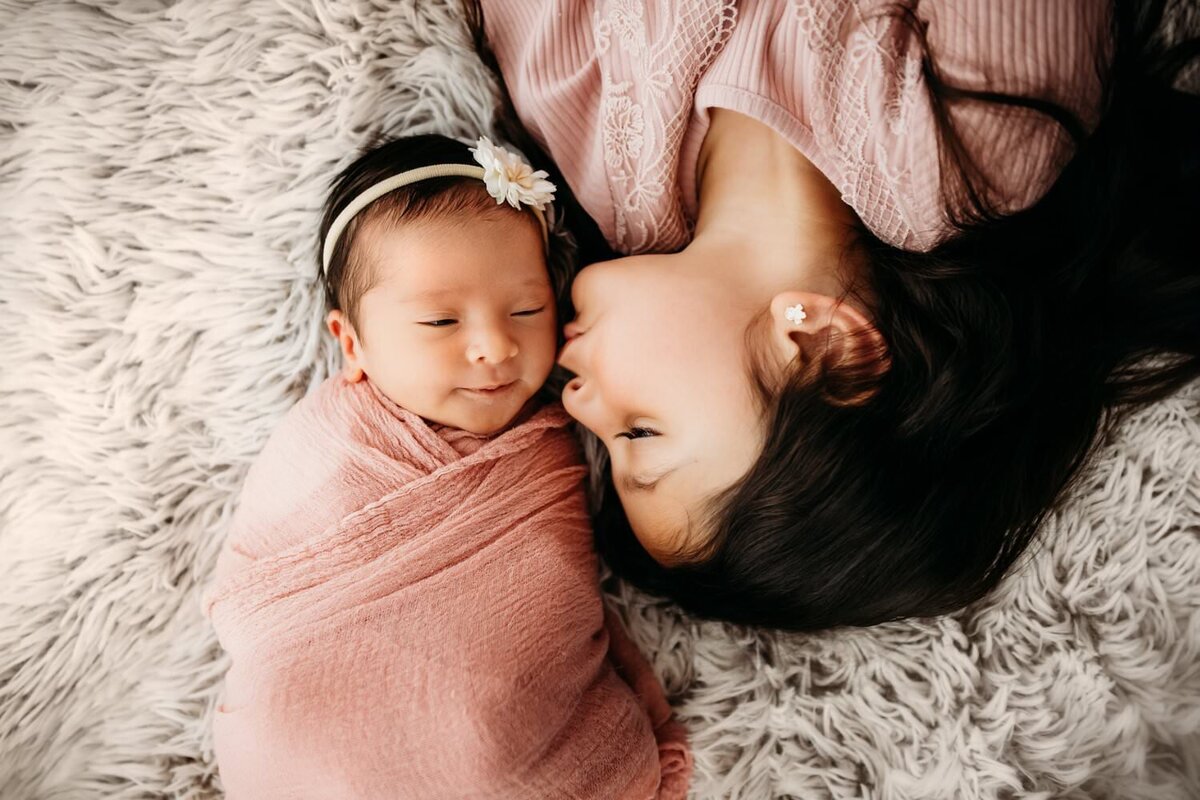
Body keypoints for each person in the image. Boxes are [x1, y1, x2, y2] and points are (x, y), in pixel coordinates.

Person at [465, 0, 1200, 631]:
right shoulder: (971, 158)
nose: (576, 401)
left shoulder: (594, 160)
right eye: (639, 433)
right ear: (822, 346)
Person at [201, 133, 691, 798]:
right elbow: (267, 602)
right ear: (353, 343)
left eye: (527, 310)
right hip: (304, 735)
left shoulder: (557, 437)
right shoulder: (331, 446)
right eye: (439, 322)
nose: (494, 345)